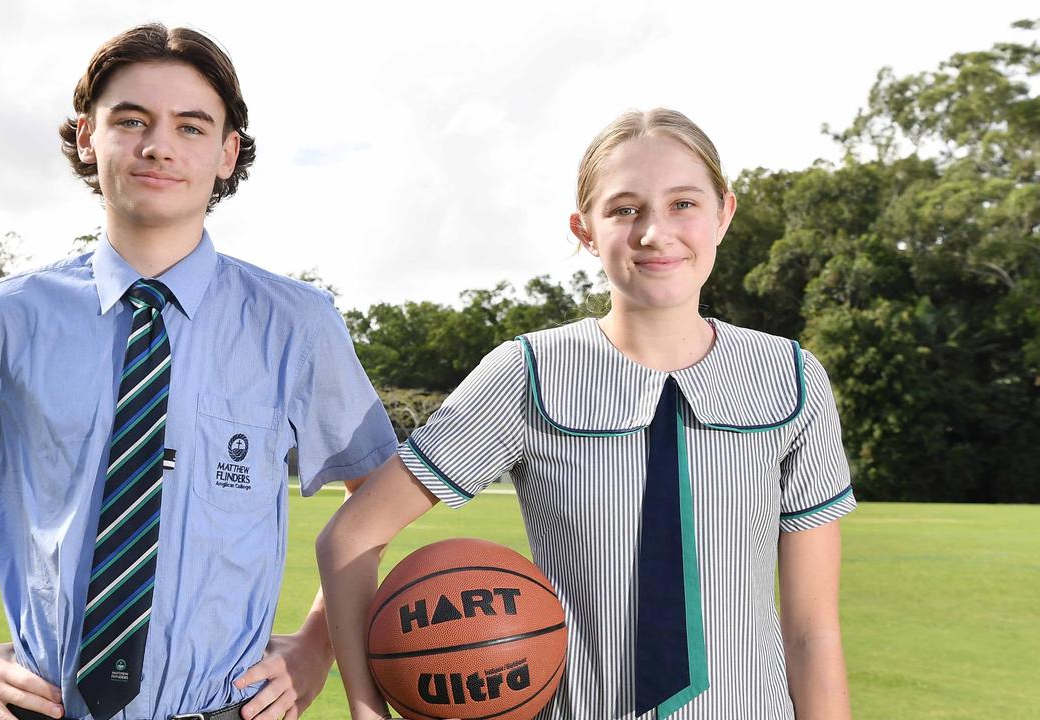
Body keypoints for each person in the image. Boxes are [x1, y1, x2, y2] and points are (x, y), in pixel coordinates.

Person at [0, 23, 397, 720]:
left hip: (225, 708)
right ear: (88, 136)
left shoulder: (296, 323)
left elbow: (376, 493)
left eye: (192, 127)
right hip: (47, 706)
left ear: (228, 153)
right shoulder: (5, 317)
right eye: (131, 120)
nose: (159, 146)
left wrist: (317, 645)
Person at [317, 108, 855, 719]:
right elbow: (351, 535)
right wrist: (369, 711)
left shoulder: (791, 378)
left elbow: (813, 633)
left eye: (684, 203)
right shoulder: (527, 374)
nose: (655, 232)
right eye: (624, 209)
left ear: (724, 213)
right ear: (584, 230)